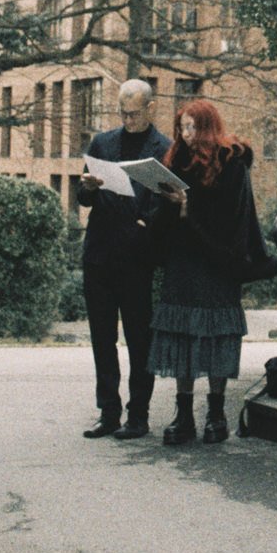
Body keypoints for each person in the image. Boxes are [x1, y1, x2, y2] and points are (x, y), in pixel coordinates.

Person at [147, 99, 268, 446]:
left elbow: (233, 220)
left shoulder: (232, 164)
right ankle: (183, 413)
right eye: (181, 127)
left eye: (192, 127)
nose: (186, 134)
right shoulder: (176, 162)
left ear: (207, 128)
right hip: (183, 260)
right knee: (182, 333)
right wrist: (171, 207)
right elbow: (164, 221)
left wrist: (189, 210)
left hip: (218, 261)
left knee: (216, 336)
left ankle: (217, 413)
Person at [76, 79, 172, 439]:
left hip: (137, 257)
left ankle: (139, 415)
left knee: (139, 339)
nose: (128, 119)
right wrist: (87, 188)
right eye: (122, 113)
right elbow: (83, 198)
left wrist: (148, 222)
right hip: (99, 254)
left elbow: (168, 201)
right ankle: (108, 412)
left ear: (151, 108)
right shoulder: (102, 143)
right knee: (102, 339)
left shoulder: (164, 149)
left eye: (133, 113)